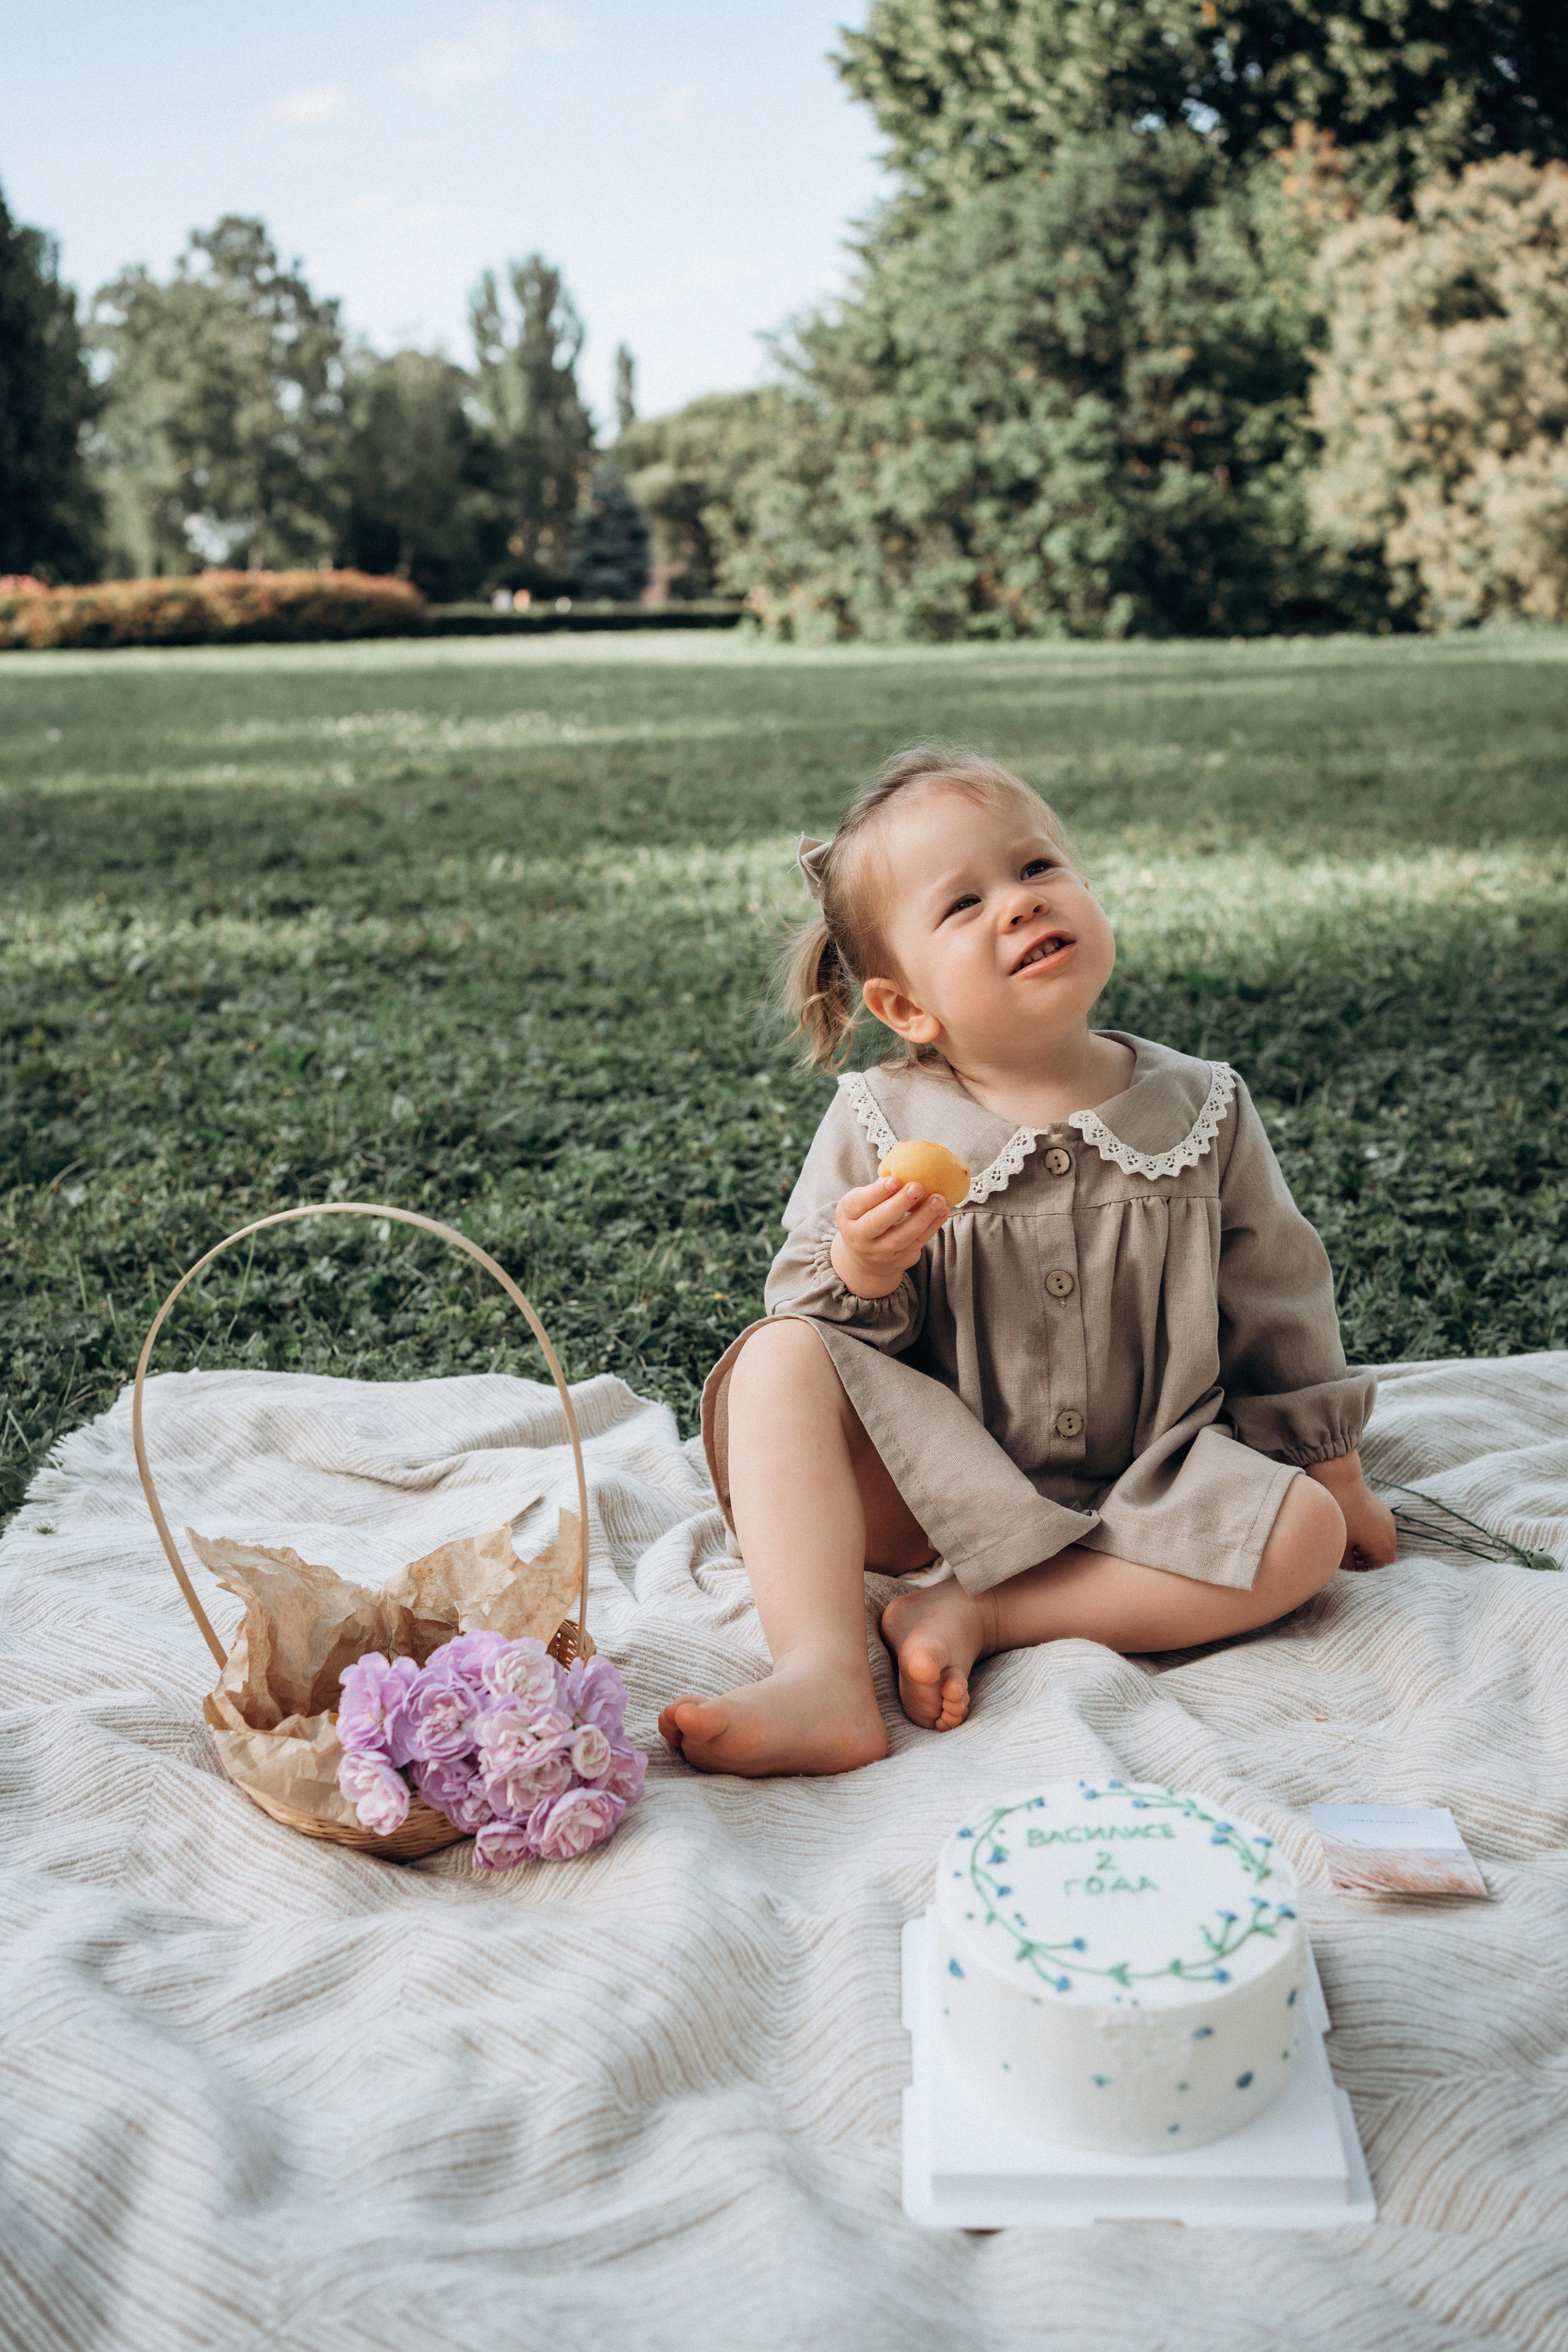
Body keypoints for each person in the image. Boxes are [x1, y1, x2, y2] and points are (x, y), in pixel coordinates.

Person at [658, 746, 1396, 1777]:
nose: (1017, 903)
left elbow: (1278, 1297)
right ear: (906, 1008)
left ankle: (991, 1611)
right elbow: (822, 1328)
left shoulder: (1201, 1108)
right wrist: (865, 1273)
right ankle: (823, 1676)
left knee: (1305, 1538)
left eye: (1037, 868)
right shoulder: (881, 1122)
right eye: (964, 904)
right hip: (939, 1491)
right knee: (781, 1354)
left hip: (1157, 1480)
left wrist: (1339, 1471)